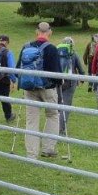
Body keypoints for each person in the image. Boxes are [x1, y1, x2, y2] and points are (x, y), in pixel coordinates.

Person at [17, 22, 62, 159]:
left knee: (31, 121)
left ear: (37, 32)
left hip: (29, 88)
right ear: (50, 32)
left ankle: (31, 153)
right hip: (47, 88)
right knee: (52, 115)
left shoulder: (26, 47)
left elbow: (18, 67)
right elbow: (57, 73)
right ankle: (48, 148)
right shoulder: (52, 49)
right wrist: (58, 83)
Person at [56, 36, 85, 136]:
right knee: (66, 105)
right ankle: (61, 130)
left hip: (57, 82)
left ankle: (54, 126)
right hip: (70, 83)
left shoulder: (56, 52)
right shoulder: (73, 54)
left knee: (57, 105)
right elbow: (80, 69)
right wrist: (82, 79)